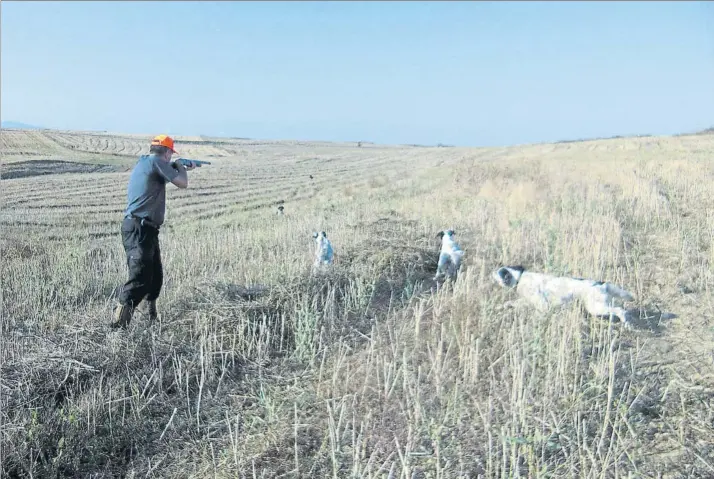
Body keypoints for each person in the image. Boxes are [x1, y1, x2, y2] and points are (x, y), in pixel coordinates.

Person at [111, 134, 195, 329]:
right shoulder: (156, 161)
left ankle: (151, 320)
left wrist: (176, 166)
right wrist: (181, 166)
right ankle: (117, 326)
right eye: (170, 155)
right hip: (139, 228)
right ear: (167, 153)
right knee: (140, 277)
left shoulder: (148, 163)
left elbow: (164, 177)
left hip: (146, 229)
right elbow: (183, 183)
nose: (169, 157)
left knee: (155, 277)